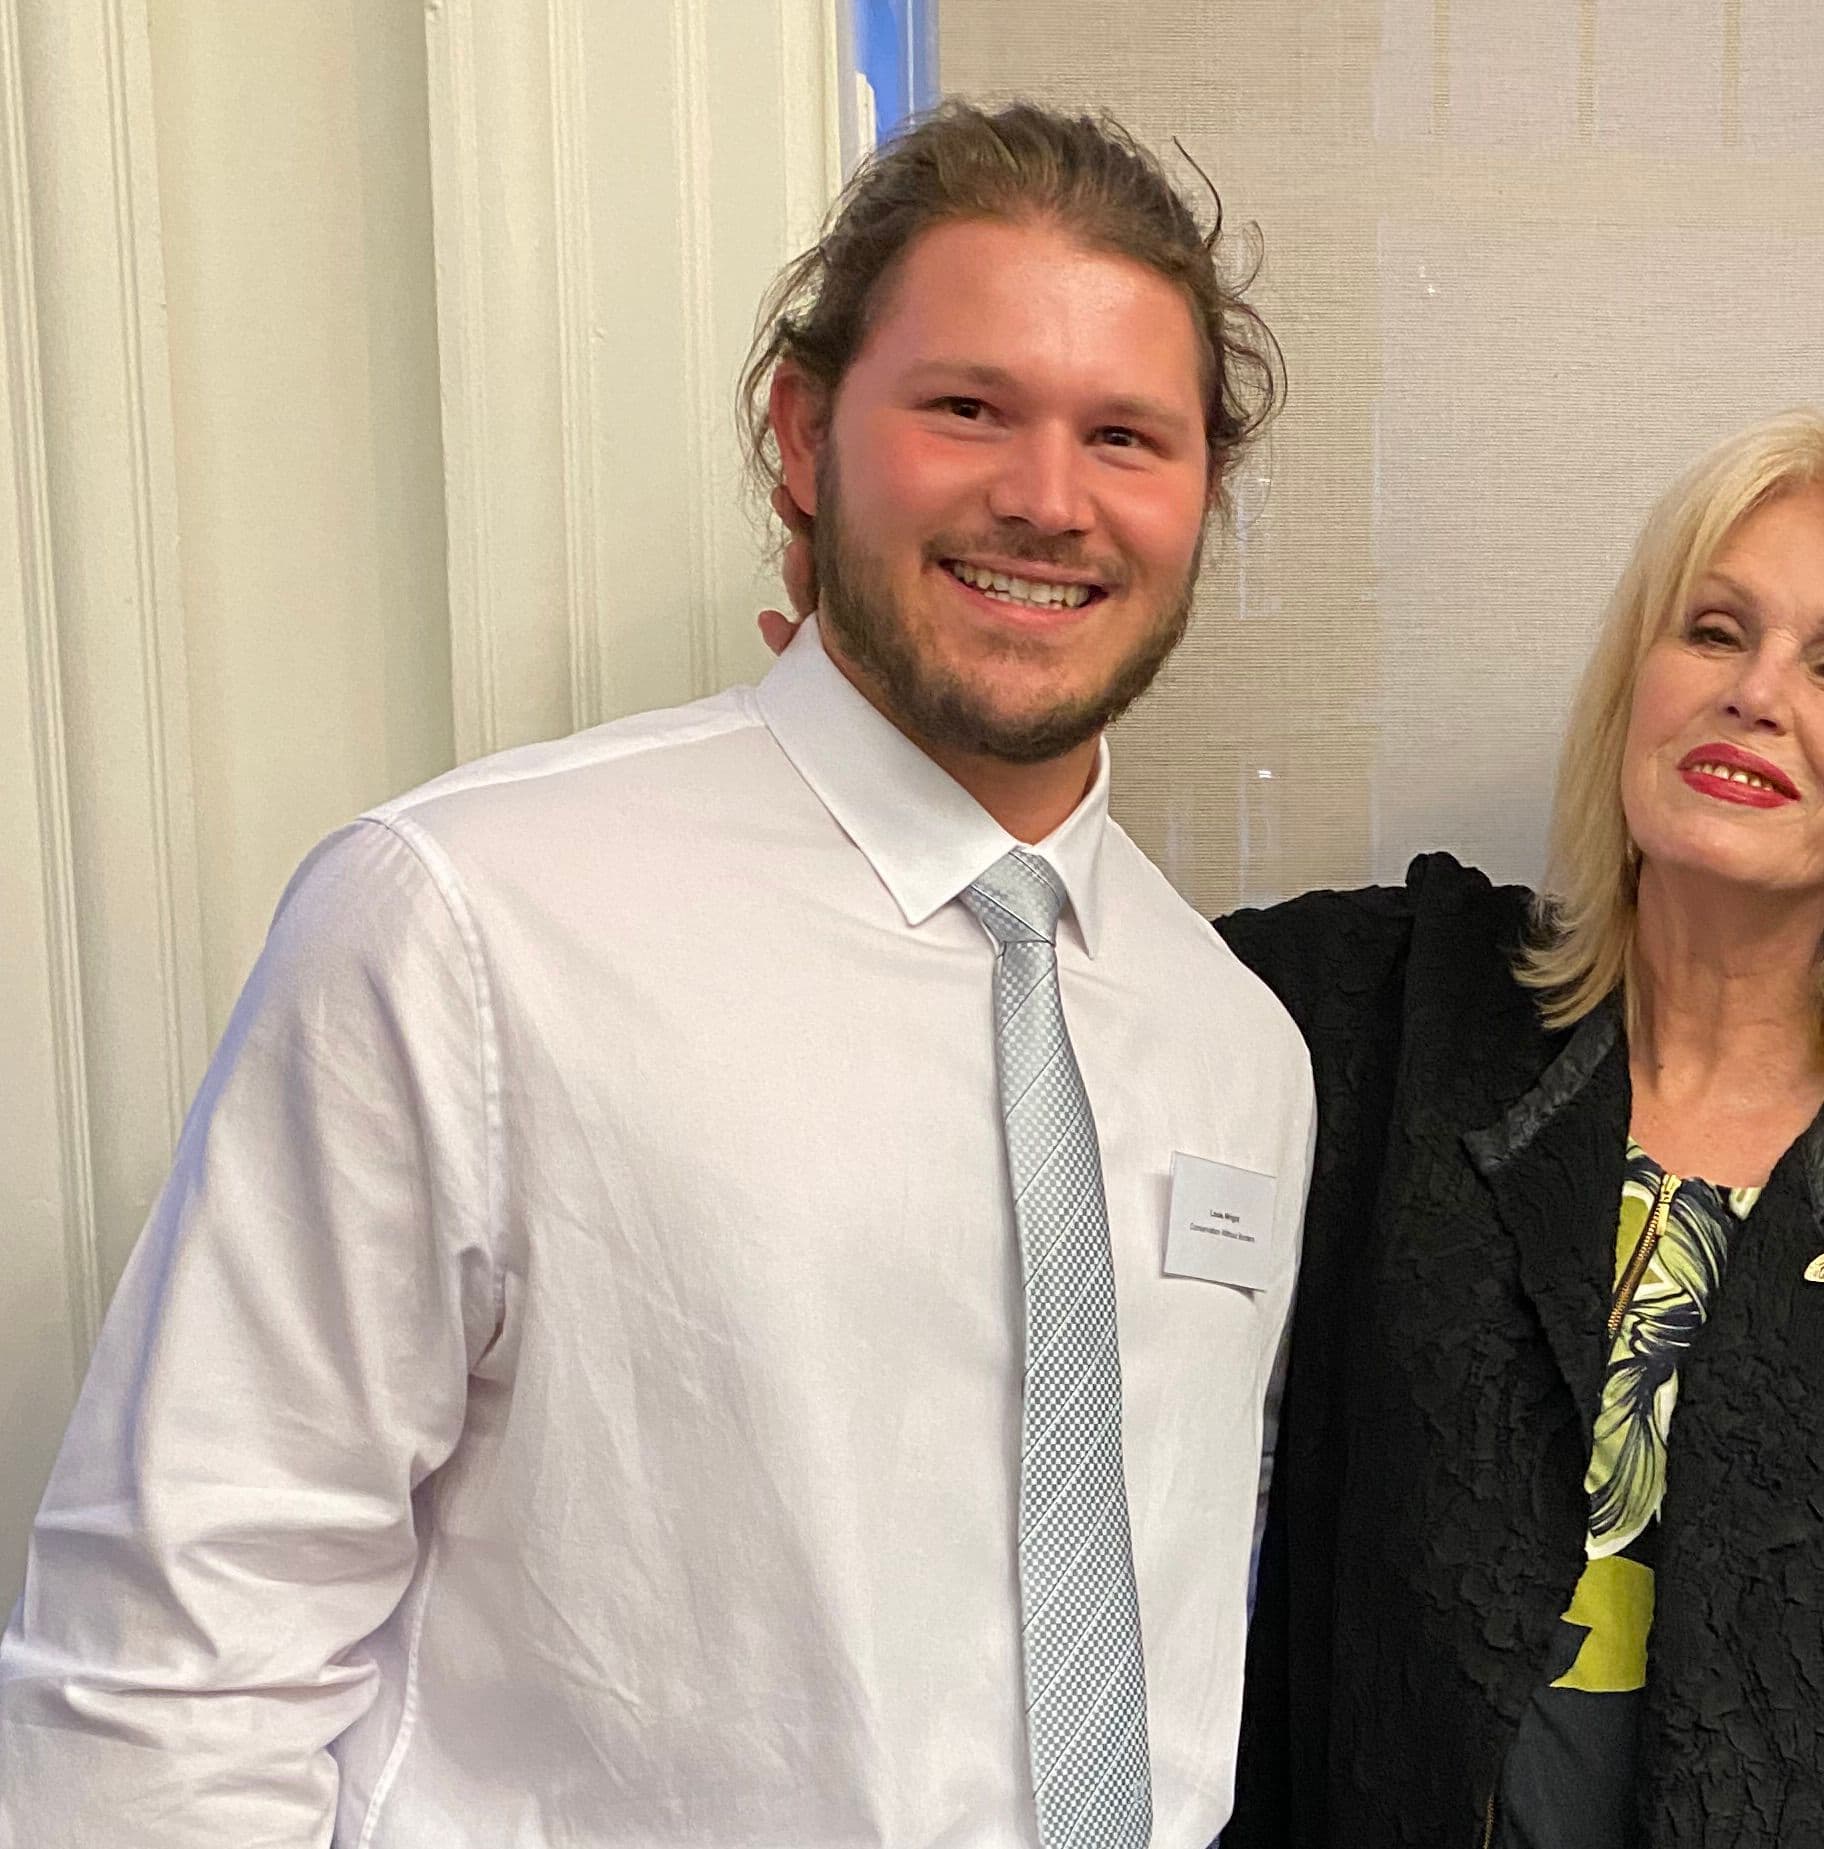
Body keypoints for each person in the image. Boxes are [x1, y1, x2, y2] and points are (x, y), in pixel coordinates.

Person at [0, 102, 1312, 1848]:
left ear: (1199, 498)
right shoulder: (469, 923)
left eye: (1125, 436)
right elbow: (168, 1677)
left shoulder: (1235, 1051)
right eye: (967, 406)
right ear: (803, 431)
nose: (1045, 497)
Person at [753, 404, 1824, 1845]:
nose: (1754, 691)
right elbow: (1026, 998)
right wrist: (903, 725)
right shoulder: (1383, 1015)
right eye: (1712, 630)